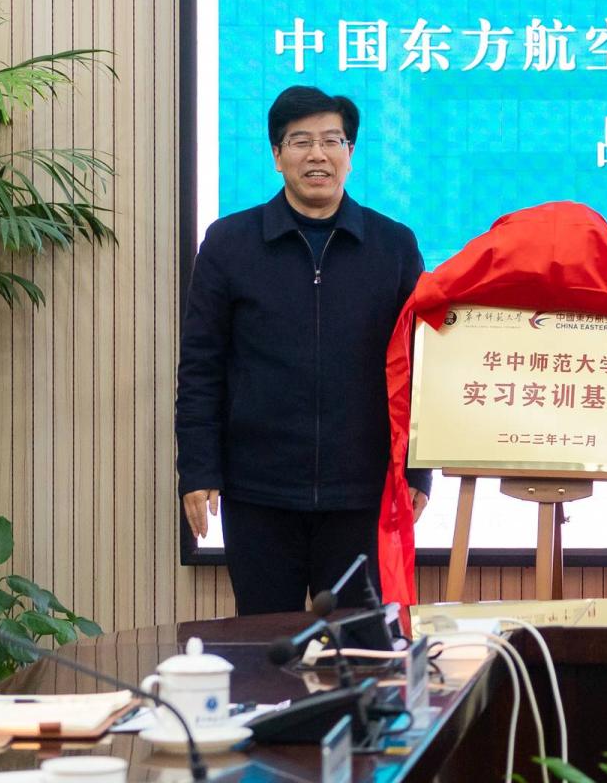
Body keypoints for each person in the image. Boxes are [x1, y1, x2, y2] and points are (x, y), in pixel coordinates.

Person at [176, 86, 431, 615]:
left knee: (360, 650)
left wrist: (417, 471)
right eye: (301, 141)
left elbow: (419, 366)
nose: (318, 154)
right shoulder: (229, 243)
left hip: (362, 493)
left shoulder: (393, 246)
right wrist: (198, 469)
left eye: (332, 141)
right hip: (258, 493)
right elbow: (201, 367)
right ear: (277, 155)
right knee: (268, 645)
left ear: (350, 153)